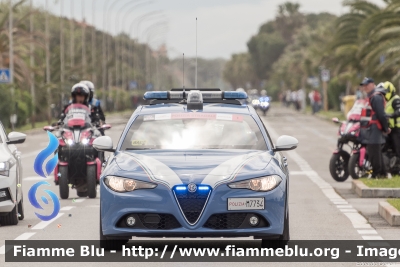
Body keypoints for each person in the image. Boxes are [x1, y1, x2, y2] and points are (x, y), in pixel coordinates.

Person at [359, 77, 390, 178]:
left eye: (367, 85)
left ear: (373, 84)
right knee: (375, 152)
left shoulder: (376, 97)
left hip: (375, 129)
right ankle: (383, 174)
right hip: (370, 129)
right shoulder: (371, 96)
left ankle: (377, 174)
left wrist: (385, 128)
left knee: (374, 152)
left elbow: (381, 114)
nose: (365, 87)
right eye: (364, 86)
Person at [383, 81, 400, 158]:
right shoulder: (388, 101)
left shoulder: (396, 99)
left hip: (396, 128)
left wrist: (391, 115)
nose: (385, 94)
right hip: (389, 128)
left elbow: (399, 110)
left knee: (398, 149)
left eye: (386, 92)